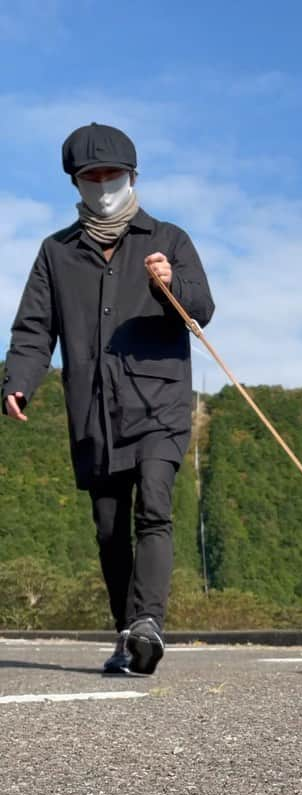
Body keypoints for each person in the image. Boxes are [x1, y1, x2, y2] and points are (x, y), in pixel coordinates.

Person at [2, 123, 215, 675]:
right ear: (75, 182)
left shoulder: (168, 239)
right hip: (94, 411)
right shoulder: (56, 252)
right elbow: (32, 328)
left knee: (156, 509)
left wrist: (171, 284)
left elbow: (202, 307)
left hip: (160, 404)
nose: (102, 184)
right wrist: (18, 380)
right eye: (90, 176)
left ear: (131, 176)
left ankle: (148, 623)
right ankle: (129, 632)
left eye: (111, 175)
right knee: (107, 527)